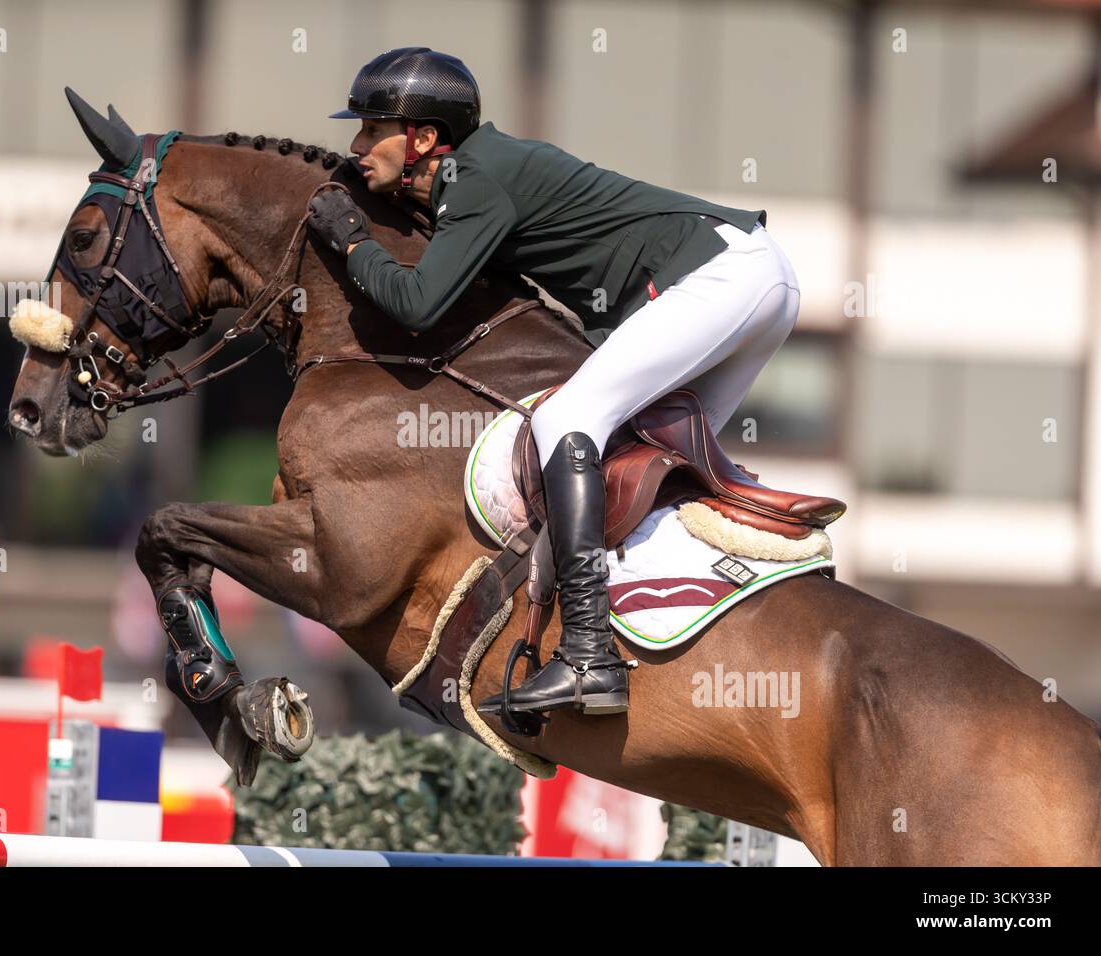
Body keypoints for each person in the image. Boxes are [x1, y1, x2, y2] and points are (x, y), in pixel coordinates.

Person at [308, 47, 801, 718]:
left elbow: (419, 305)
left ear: (424, 139)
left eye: (371, 129)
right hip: (751, 275)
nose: (359, 144)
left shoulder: (475, 179)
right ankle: (688, 634)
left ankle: (591, 656)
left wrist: (354, 246)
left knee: (563, 422)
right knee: (644, 464)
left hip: (719, 276)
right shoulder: (474, 172)